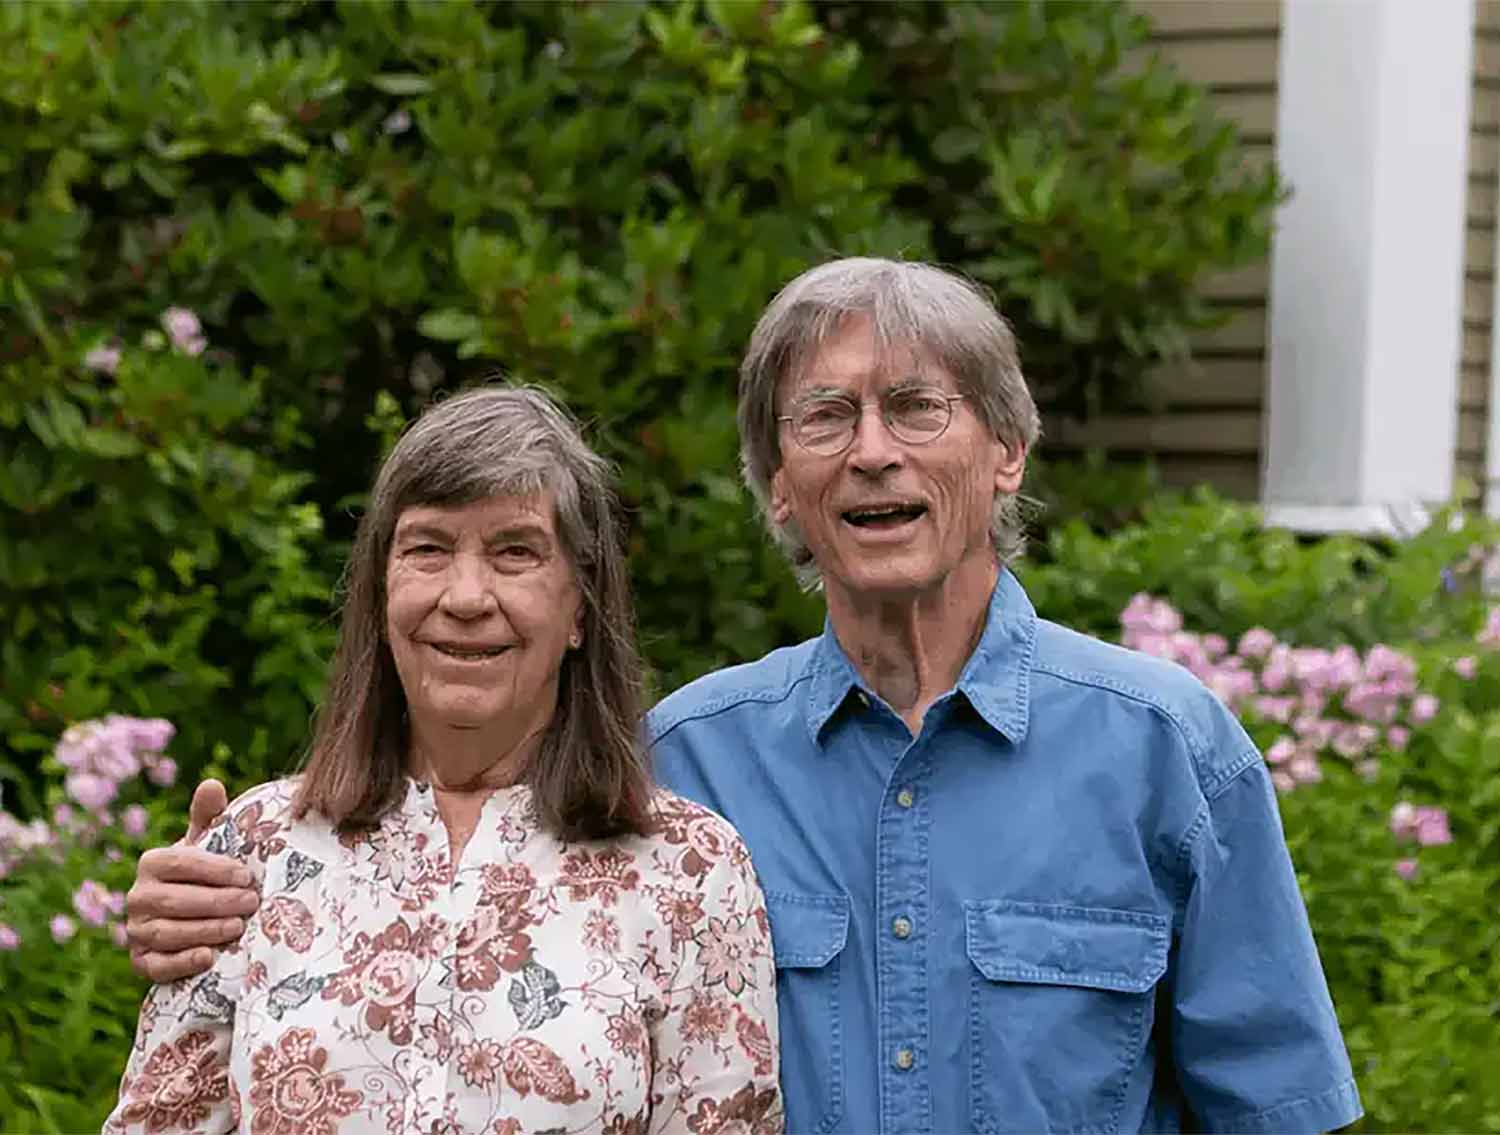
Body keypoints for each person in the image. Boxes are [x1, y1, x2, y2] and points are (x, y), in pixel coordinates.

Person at [126, 258, 1362, 1134]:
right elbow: (453, 772)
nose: (870, 449)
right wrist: (204, 899)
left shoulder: (1166, 751)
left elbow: (1278, 1109)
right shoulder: (675, 769)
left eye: (918, 407)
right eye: (823, 417)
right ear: (778, 484)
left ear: (1006, 451)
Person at [105, 387, 781, 1135]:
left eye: (514, 551)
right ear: (382, 589)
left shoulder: (691, 872)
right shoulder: (257, 846)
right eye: (427, 547)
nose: (465, 596)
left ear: (581, 608)